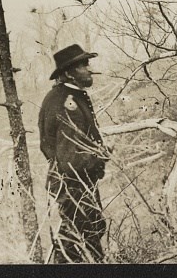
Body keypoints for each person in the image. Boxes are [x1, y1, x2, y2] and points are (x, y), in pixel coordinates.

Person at [39, 44, 110, 263]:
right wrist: (97, 157)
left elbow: (72, 145)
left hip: (77, 182)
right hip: (73, 183)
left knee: (89, 231)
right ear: (68, 72)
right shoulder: (64, 102)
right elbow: (71, 157)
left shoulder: (68, 95)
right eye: (83, 64)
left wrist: (98, 151)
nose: (89, 69)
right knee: (78, 240)